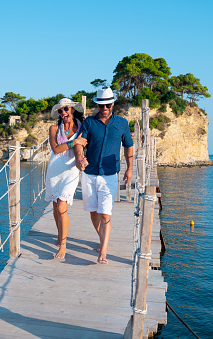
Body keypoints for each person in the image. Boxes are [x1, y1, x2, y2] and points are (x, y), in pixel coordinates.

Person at [74, 88, 133, 264]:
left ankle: (103, 252)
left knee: (105, 214)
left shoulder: (122, 123)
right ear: (97, 105)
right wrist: (79, 157)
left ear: (113, 103)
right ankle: (102, 240)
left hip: (109, 175)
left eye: (108, 104)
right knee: (93, 212)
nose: (105, 107)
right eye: (101, 105)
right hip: (89, 174)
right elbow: (79, 143)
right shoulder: (89, 123)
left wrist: (129, 168)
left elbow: (128, 146)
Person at [45, 98, 87, 258]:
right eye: (60, 111)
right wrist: (73, 142)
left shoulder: (82, 128)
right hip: (55, 170)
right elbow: (56, 149)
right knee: (56, 207)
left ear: (73, 110)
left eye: (66, 109)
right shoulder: (54, 128)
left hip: (71, 170)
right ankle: (60, 235)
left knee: (62, 207)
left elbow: (84, 145)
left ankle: (63, 245)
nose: (63, 113)